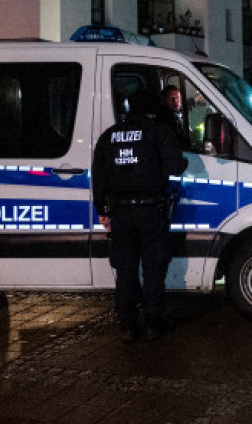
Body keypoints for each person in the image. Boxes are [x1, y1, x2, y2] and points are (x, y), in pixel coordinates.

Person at [92, 89, 188, 342]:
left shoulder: (109, 136)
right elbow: (176, 166)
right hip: (150, 211)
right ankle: (152, 323)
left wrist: (101, 210)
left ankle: (127, 324)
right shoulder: (158, 131)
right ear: (152, 109)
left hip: (120, 213)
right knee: (154, 267)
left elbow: (98, 177)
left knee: (125, 269)